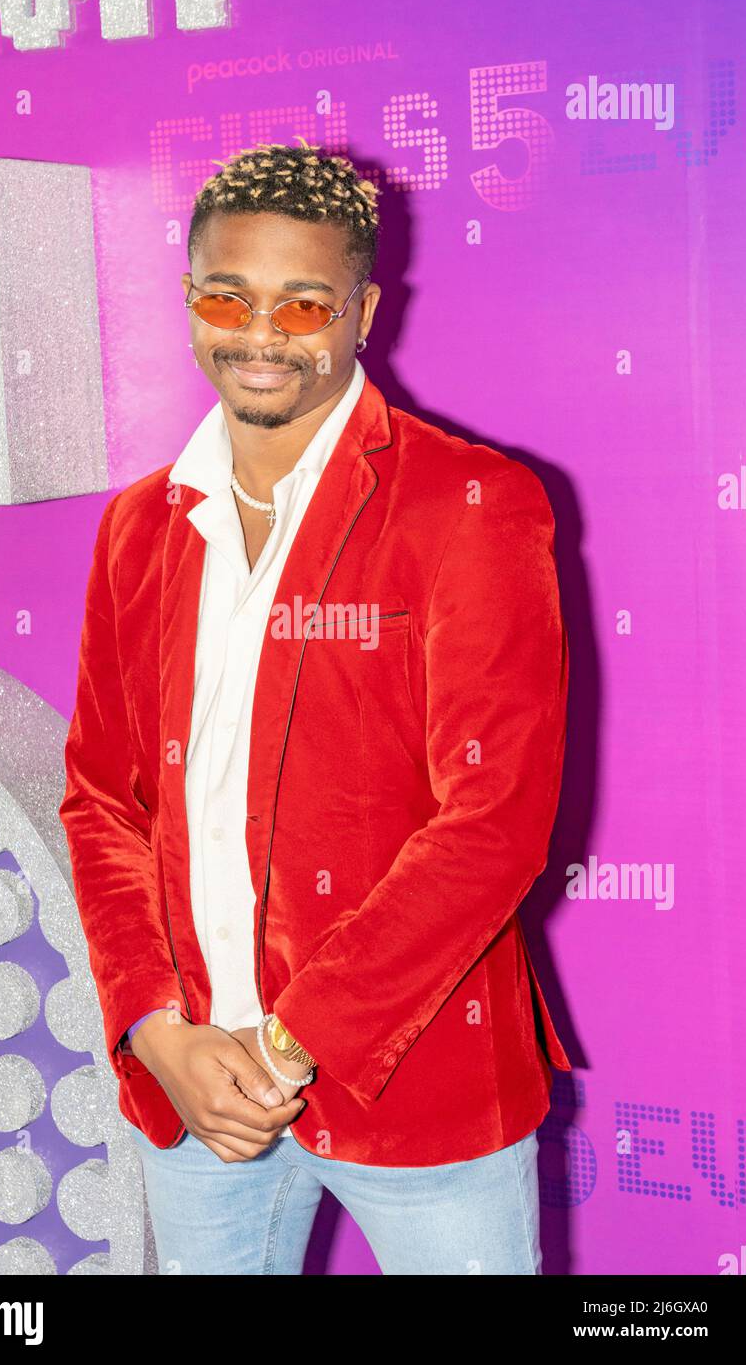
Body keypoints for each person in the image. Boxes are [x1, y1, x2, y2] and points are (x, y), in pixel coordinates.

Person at [58, 135, 571, 1275]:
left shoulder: (467, 505)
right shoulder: (138, 527)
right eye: (226, 297)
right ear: (188, 298)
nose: (258, 335)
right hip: (194, 1088)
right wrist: (158, 1032)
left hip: (415, 1081)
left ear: (362, 311)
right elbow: (102, 800)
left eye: (303, 306)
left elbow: (490, 821)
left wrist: (295, 1042)